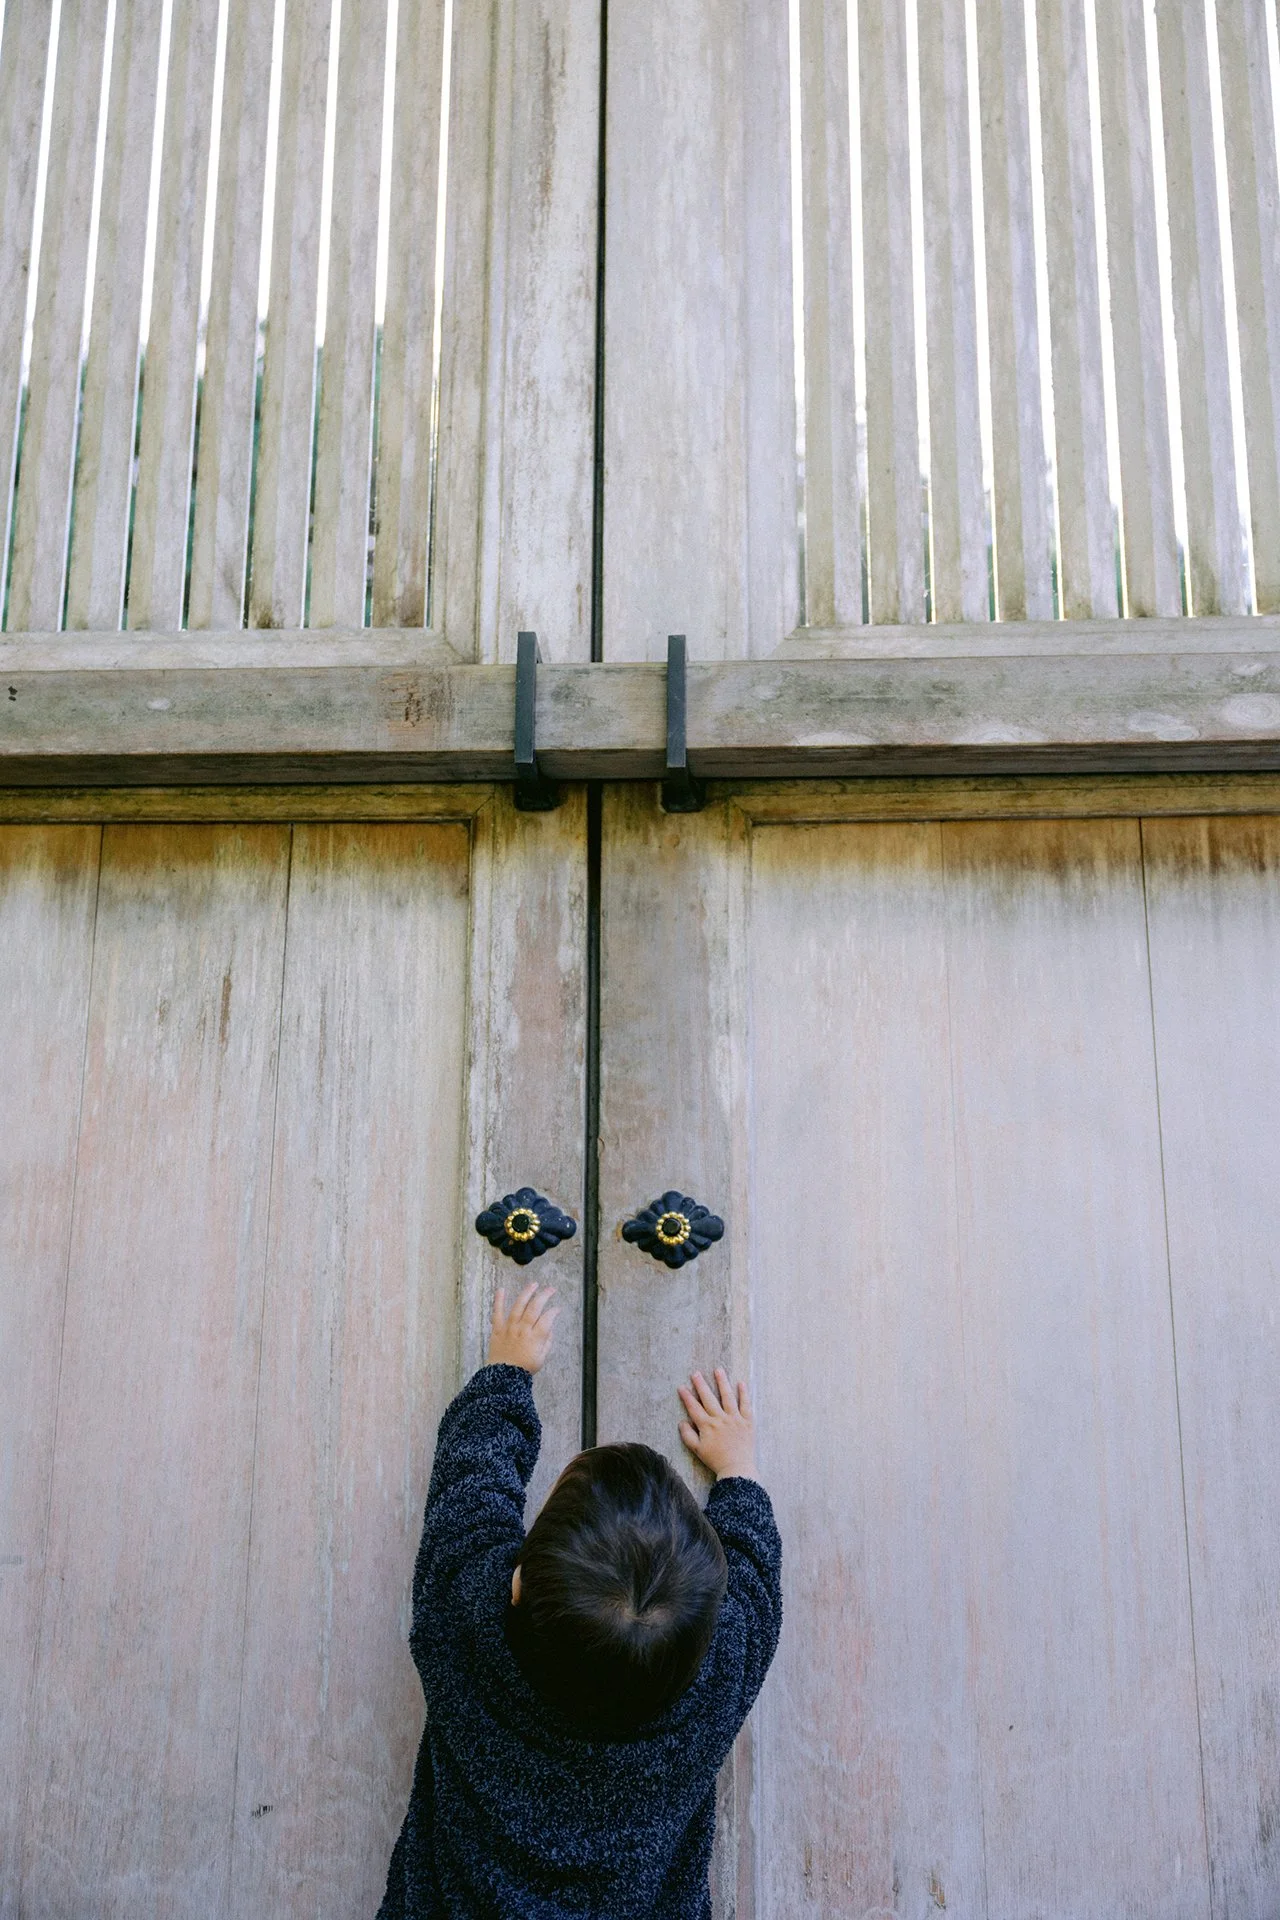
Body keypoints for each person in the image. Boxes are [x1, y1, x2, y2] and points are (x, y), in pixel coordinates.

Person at [377, 1278, 782, 1919]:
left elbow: (469, 1495)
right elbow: (756, 1583)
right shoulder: (715, 1680)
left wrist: (506, 1374)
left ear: (515, 1583)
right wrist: (738, 1471)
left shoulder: (467, 1624)